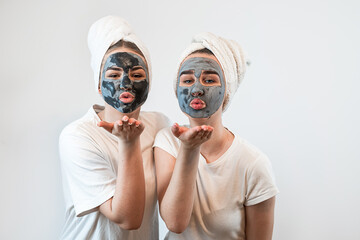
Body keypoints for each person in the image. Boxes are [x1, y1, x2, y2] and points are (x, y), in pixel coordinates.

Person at [154, 32, 279, 240]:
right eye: (187, 80)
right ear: (177, 90)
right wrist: (188, 149)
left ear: (226, 90)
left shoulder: (253, 163)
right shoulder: (167, 140)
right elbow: (175, 222)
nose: (196, 89)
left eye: (209, 79)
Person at [59, 16, 169, 239]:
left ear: (149, 83)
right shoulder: (78, 136)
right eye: (113, 75)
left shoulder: (158, 125)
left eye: (137, 75)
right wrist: (129, 142)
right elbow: (127, 218)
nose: (125, 84)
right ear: (99, 84)